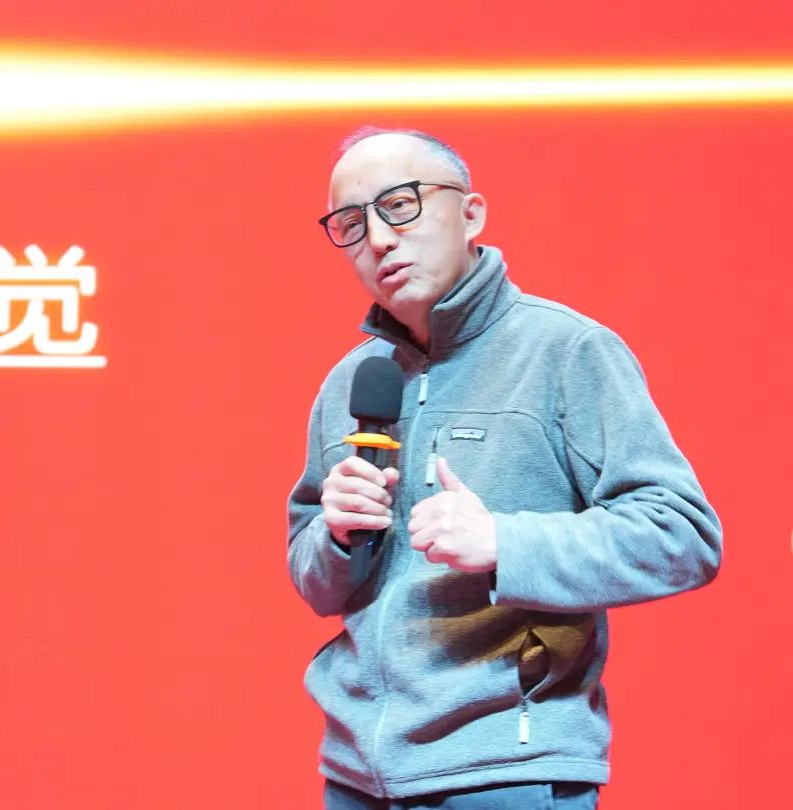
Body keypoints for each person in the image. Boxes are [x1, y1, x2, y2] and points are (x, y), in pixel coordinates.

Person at [286, 128, 722, 810]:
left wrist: (504, 542)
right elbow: (315, 583)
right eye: (351, 223)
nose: (379, 240)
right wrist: (337, 537)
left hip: (504, 771)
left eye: (399, 205)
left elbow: (682, 536)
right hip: (357, 777)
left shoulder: (566, 351)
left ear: (472, 213)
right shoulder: (353, 382)